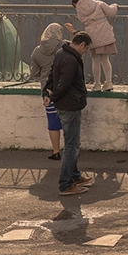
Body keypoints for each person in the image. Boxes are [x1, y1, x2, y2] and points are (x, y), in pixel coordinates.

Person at [42, 31, 96, 196]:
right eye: (85, 49)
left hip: (64, 105)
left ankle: (74, 176)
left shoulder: (61, 53)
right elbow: (63, 84)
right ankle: (65, 184)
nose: (85, 52)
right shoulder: (72, 60)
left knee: (73, 143)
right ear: (81, 45)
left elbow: (52, 75)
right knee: (72, 146)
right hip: (70, 106)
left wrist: (47, 93)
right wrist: (53, 96)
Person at [66, 0, 119, 91]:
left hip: (92, 35)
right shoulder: (99, 4)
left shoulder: (80, 11)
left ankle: (97, 84)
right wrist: (115, 5)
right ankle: (108, 82)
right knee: (105, 60)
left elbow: (82, 20)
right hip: (104, 32)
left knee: (95, 60)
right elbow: (111, 12)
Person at [29, 22, 66, 161]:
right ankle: (70, 150)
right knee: (68, 120)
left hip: (47, 91)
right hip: (64, 87)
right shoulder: (64, 46)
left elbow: (35, 73)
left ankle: (56, 151)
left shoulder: (37, 51)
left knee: (53, 121)